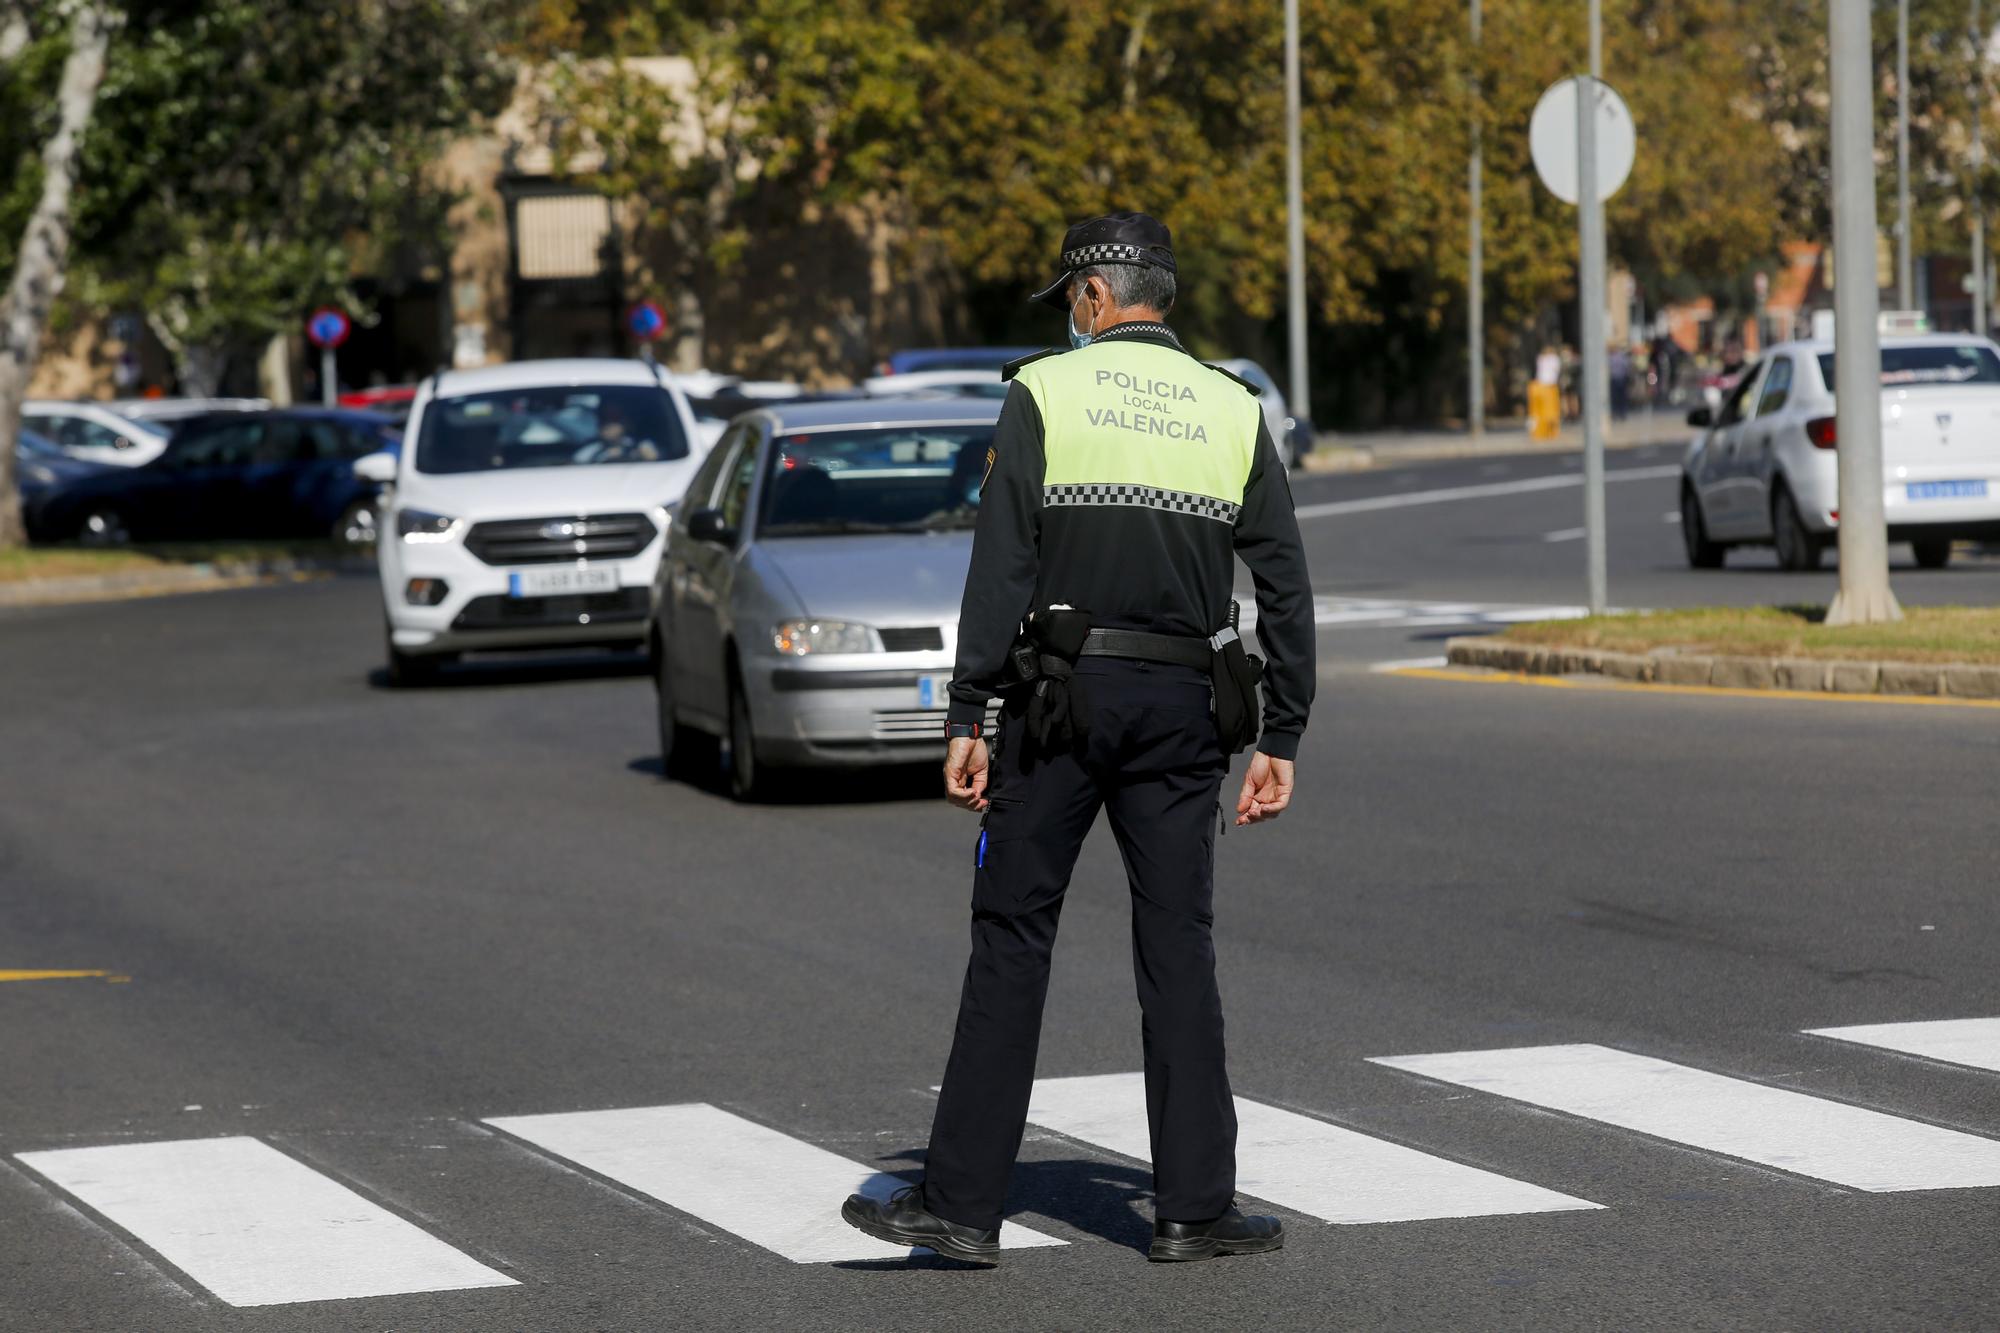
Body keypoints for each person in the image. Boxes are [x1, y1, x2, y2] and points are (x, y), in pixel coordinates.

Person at [840, 211, 1315, 1265]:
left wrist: (967, 711)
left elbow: (1001, 566)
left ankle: (961, 1206)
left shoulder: (1042, 394)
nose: (1067, 317)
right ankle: (1194, 1208)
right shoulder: (1230, 408)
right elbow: (1281, 577)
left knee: (1012, 937)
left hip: (1058, 702)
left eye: (1068, 299)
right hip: (1184, 710)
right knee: (1176, 947)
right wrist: (1281, 728)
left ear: (1096, 296)